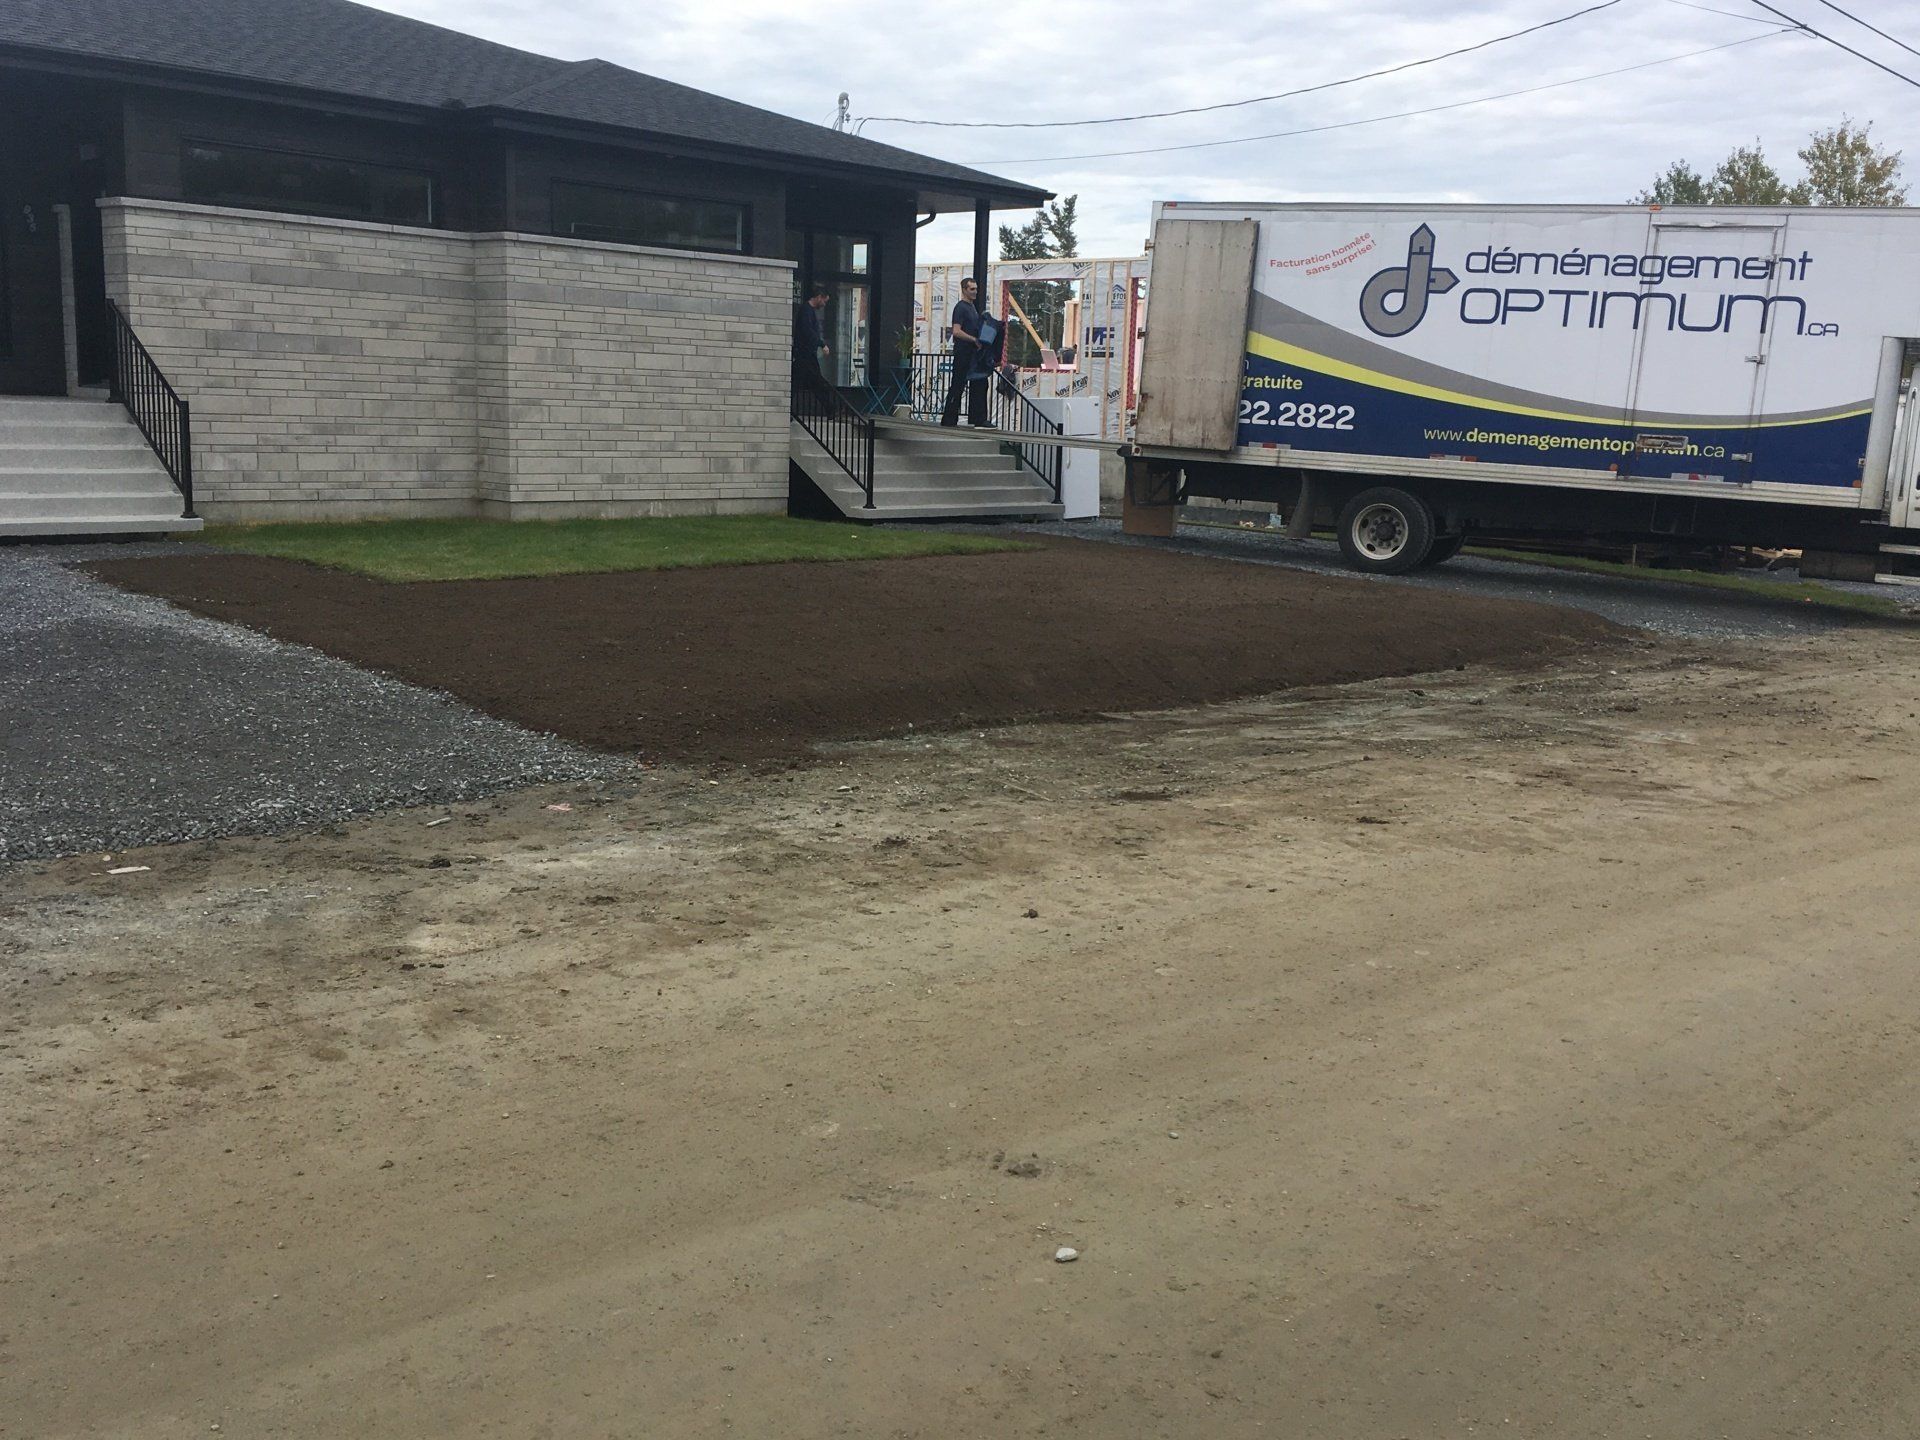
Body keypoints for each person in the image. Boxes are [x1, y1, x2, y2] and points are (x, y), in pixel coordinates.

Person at [939, 276, 993, 428]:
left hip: (973, 354)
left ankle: (979, 418)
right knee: (958, 385)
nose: (975, 292)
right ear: (964, 290)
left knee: (980, 382)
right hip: (963, 352)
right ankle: (949, 419)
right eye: (972, 289)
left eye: (976, 289)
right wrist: (973, 339)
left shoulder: (972, 308)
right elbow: (956, 331)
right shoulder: (961, 307)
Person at [792, 283, 831, 392]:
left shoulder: (809, 311)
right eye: (824, 301)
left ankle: (832, 408)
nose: (824, 304)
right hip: (805, 354)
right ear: (819, 297)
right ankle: (832, 408)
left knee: (812, 383)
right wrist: (822, 344)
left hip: (806, 354)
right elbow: (807, 331)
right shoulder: (806, 310)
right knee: (817, 383)